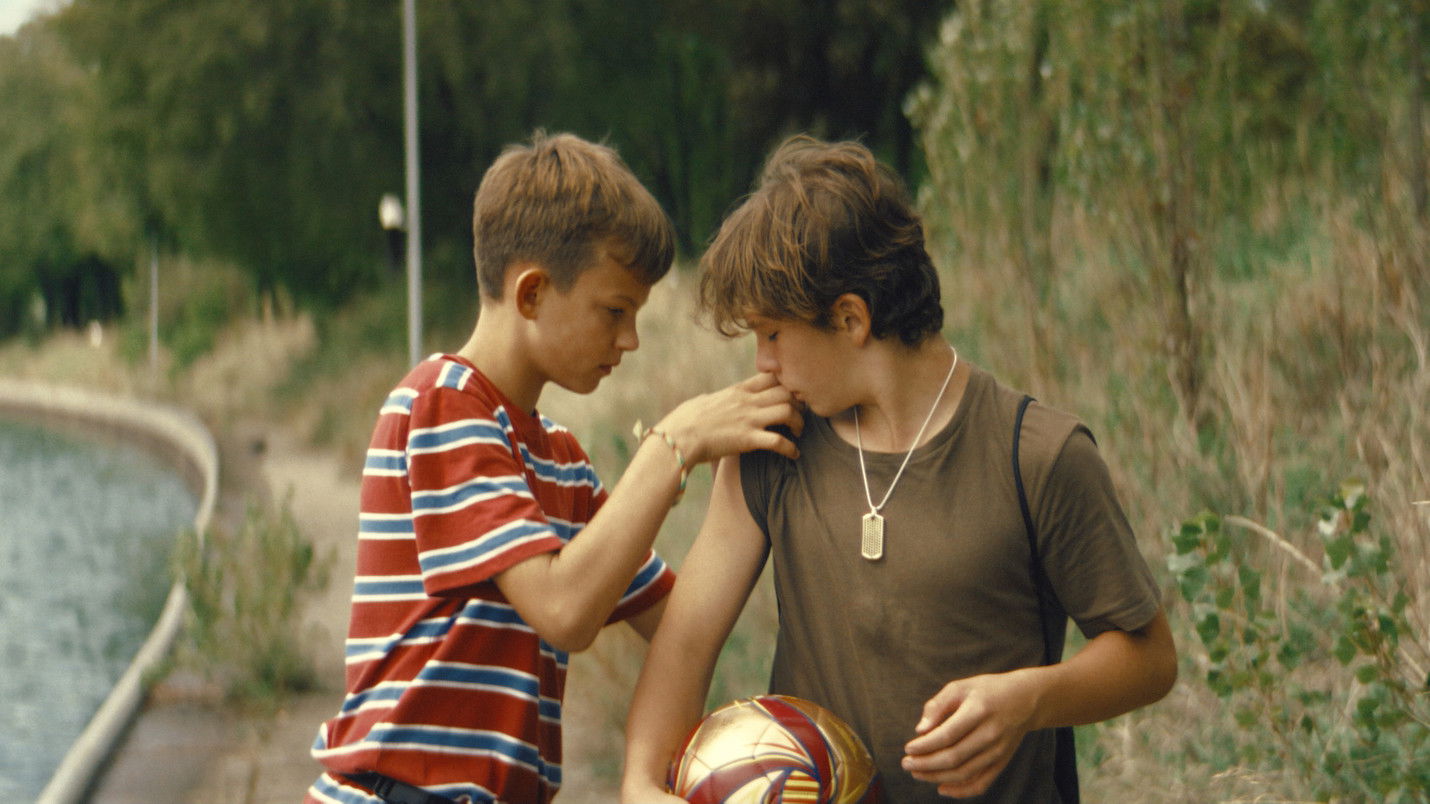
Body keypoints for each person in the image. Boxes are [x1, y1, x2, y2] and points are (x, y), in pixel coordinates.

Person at [620, 136, 1177, 803]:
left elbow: (1149, 658)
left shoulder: (1038, 455)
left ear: (850, 317)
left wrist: (1030, 699)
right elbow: (683, 646)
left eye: (772, 334)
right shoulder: (771, 447)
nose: (762, 363)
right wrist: (640, 783)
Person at [305, 132, 802, 804]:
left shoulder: (560, 460)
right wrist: (674, 444)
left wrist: (740, 491)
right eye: (615, 311)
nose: (629, 340)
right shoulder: (442, 403)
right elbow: (563, 608)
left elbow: (676, 621)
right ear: (533, 293)